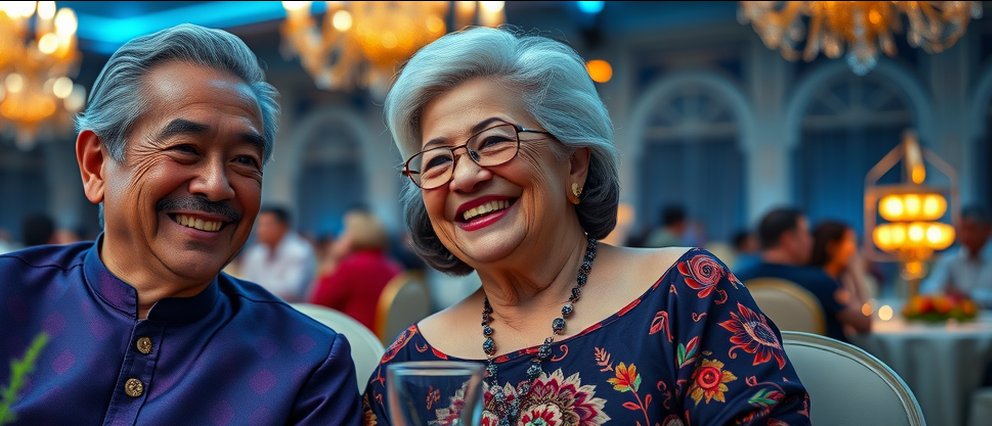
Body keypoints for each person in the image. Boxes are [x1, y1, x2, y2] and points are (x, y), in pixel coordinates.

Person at [0, 24, 359, 425]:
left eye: (244, 161)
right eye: (185, 150)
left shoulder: (306, 364)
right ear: (95, 165)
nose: (217, 186)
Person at [364, 27, 808, 424]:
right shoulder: (406, 364)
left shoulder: (688, 297)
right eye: (437, 161)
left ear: (575, 164)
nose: (464, 177)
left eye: (495, 140)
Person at [736, 209, 871, 341]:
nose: (811, 241)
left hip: (761, 356)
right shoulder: (820, 281)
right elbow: (864, 324)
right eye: (806, 234)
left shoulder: (738, 281)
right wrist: (856, 272)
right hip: (815, 356)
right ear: (788, 239)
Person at [310, 210, 403, 329]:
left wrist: (332, 259)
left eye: (344, 232)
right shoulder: (394, 266)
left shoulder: (351, 267)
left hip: (357, 336)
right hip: (384, 337)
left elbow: (317, 305)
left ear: (353, 236)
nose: (339, 237)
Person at [236, 206, 318, 302]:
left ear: (283, 226)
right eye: (259, 225)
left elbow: (292, 291)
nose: (259, 230)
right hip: (257, 304)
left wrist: (255, 288)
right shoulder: (255, 253)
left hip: (292, 307)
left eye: (267, 225)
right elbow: (246, 284)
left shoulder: (300, 252)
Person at [922, 205, 992, 307]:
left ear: (987, 230)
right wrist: (945, 293)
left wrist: (968, 296)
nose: (967, 235)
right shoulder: (950, 260)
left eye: (972, 229)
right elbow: (929, 289)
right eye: (963, 229)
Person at [810, 220, 875, 311]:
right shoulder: (824, 283)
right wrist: (857, 274)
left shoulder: (841, 279)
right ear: (831, 246)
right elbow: (864, 315)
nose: (853, 249)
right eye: (849, 241)